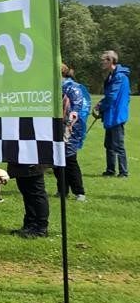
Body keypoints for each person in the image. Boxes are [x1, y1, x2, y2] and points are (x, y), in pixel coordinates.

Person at [96, 50, 130, 178]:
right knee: (109, 144)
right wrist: (101, 103)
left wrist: (102, 107)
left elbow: (112, 96)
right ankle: (110, 170)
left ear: (111, 61)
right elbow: (109, 96)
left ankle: (123, 172)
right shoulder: (112, 76)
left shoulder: (119, 77)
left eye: (103, 60)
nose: (102, 62)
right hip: (112, 114)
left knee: (118, 145)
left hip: (117, 115)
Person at [58, 64, 89, 201]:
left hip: (71, 127)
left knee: (70, 159)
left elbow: (77, 107)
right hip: (57, 125)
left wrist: (70, 124)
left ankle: (79, 192)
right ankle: (62, 190)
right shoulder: (55, 87)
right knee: (57, 160)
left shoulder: (72, 87)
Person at [9, 163, 49, 238]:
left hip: (32, 163)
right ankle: (30, 224)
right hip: (20, 163)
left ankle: (41, 228)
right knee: (26, 193)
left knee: (37, 193)